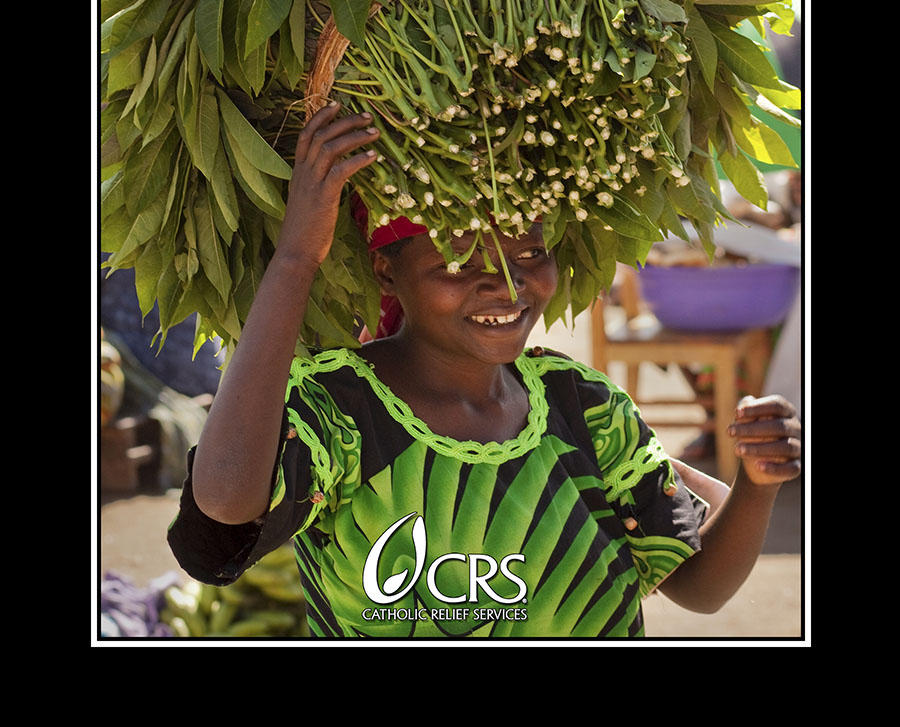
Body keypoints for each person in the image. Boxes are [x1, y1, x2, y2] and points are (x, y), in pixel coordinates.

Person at [167, 104, 802, 639]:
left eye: (530, 252)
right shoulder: (342, 410)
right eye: (462, 259)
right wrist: (299, 254)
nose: (508, 286)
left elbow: (699, 587)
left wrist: (755, 483)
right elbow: (224, 500)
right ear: (387, 270)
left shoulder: (584, 408)